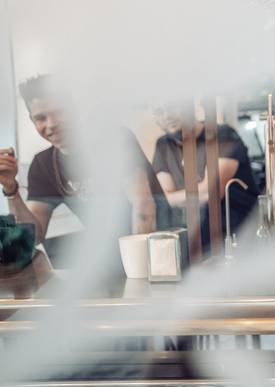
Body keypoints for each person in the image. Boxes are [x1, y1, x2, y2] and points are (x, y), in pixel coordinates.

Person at [0, 76, 171, 255]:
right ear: (32, 120)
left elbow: (143, 205)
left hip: (160, 248)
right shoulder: (43, 165)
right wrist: (11, 189)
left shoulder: (114, 139)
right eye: (41, 118)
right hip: (111, 259)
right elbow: (34, 237)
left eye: (59, 112)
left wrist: (138, 267)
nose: (51, 125)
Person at [150, 104, 258, 252]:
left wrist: (178, 197)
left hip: (240, 237)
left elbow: (209, 193)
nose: (167, 115)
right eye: (159, 111)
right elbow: (165, 197)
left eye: (173, 105)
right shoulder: (163, 145)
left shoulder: (222, 134)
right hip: (197, 241)